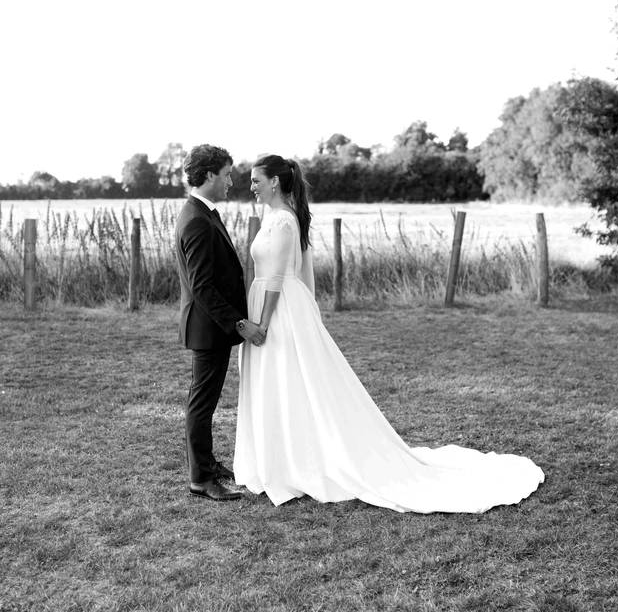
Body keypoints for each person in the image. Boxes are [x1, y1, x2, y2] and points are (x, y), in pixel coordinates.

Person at [234, 154, 545, 513]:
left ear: (274, 182)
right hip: (270, 303)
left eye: (256, 180)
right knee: (281, 382)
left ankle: (299, 462)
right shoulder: (273, 217)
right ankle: (280, 458)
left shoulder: (285, 221)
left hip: (278, 309)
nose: (251, 186)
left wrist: (264, 324)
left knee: (292, 381)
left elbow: (277, 278)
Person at [175, 144, 265, 502]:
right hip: (208, 327)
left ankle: (208, 465)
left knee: (205, 399)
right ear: (210, 175)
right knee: (202, 402)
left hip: (211, 326)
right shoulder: (196, 219)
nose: (231, 181)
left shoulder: (202, 212)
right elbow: (202, 287)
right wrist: (240, 323)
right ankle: (200, 479)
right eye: (227, 174)